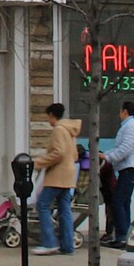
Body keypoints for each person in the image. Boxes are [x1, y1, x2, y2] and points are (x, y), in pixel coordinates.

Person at [34, 103, 80, 254]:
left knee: (42, 204)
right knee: (64, 210)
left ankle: (49, 242)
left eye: (48, 116)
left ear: (52, 115)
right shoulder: (69, 131)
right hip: (69, 175)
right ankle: (68, 246)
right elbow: (74, 155)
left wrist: (39, 163)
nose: (48, 120)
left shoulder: (58, 130)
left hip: (57, 175)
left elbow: (58, 153)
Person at [103, 101, 134, 247]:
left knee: (118, 201)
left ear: (125, 111)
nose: (119, 114)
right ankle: (125, 234)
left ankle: (122, 236)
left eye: (120, 111)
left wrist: (108, 157)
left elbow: (125, 148)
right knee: (124, 201)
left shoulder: (131, 126)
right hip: (128, 167)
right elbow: (121, 147)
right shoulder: (130, 126)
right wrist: (107, 155)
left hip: (130, 167)